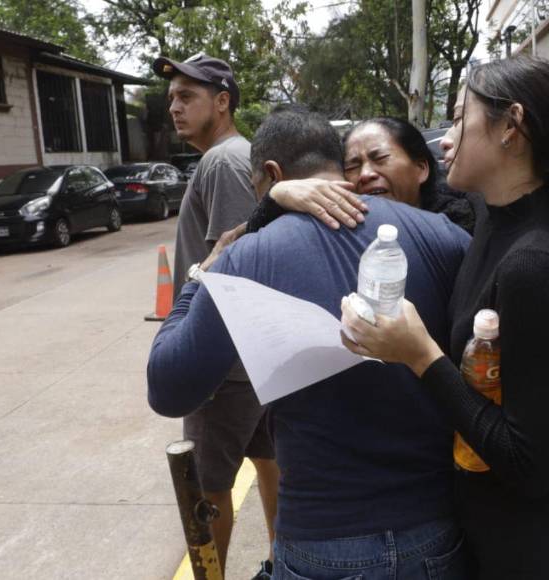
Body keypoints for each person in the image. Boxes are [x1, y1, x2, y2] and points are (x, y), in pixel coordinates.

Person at [148, 105, 472, 579]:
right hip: (437, 533)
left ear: (273, 176)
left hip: (324, 543)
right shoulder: (442, 235)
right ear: (338, 164)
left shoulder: (247, 258)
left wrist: (201, 275)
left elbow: (168, 387)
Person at [341, 55, 549, 579]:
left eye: (461, 119)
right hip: (488, 536)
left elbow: (529, 467)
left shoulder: (533, 262)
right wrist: (283, 195)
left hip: (534, 552)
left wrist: (422, 357)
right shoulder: (490, 214)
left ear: (511, 128)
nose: (446, 138)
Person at [239, 115, 549, 460]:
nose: (366, 174)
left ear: (421, 168)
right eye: (352, 165)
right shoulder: (341, 237)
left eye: (379, 157)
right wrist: (276, 199)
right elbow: (246, 266)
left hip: (487, 453)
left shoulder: (471, 230)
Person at [151, 52, 277, 578]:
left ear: (222, 102)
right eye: (171, 97)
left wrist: (195, 357)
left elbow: (232, 268)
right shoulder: (232, 158)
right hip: (246, 359)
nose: (174, 107)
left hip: (222, 365)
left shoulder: (223, 162)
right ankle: (284, 561)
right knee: (269, 463)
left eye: (187, 96)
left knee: (205, 487)